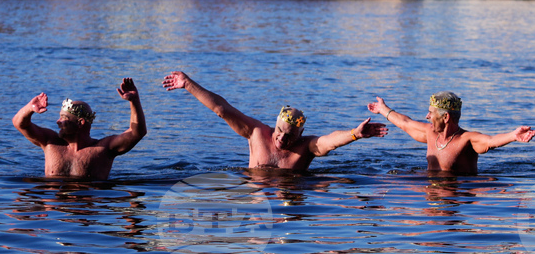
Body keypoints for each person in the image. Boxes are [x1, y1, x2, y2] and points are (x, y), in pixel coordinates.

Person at [163, 71, 387, 170]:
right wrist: (188, 84)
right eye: (280, 130)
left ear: (299, 134)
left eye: (290, 135)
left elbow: (328, 141)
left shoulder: (306, 146)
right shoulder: (257, 133)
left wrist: (354, 134)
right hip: (259, 206)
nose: (282, 138)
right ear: (275, 124)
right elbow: (222, 109)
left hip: (291, 201)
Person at [368, 91, 535, 175]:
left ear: (446, 117)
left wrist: (513, 136)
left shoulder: (466, 139)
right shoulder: (430, 133)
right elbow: (406, 123)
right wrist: (384, 110)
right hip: (432, 191)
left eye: (431, 113)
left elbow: (490, 140)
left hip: (456, 194)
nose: (427, 116)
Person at [12, 77, 146, 180]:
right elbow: (20, 123)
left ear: (80, 123)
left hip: (86, 210)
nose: (57, 122)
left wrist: (134, 101)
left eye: (63, 118)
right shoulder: (50, 142)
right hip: (57, 214)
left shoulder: (103, 149)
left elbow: (137, 132)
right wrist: (29, 108)